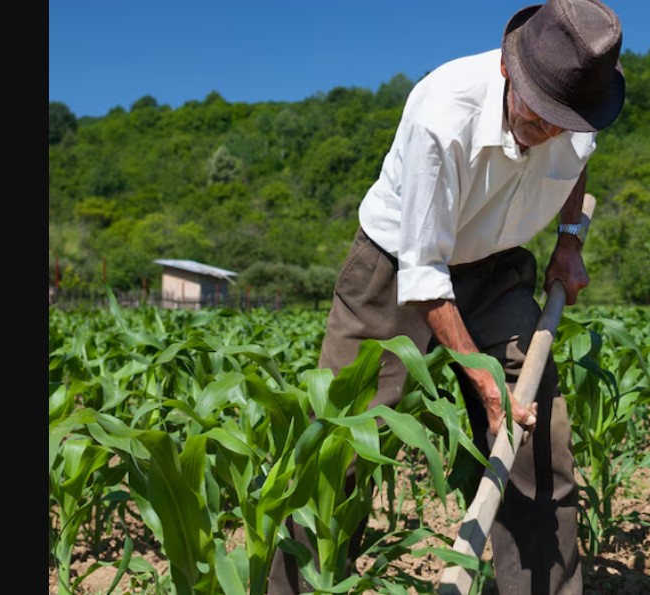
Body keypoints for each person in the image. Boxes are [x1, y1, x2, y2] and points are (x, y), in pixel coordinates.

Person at [267, 1, 625, 593]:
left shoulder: (581, 103)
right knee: (339, 447)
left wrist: (568, 242)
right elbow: (425, 273)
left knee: (536, 438)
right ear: (509, 70)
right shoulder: (442, 113)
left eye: (564, 122)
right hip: (396, 268)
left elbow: (576, 162)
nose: (551, 132)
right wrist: (485, 383)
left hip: (496, 266)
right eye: (540, 117)